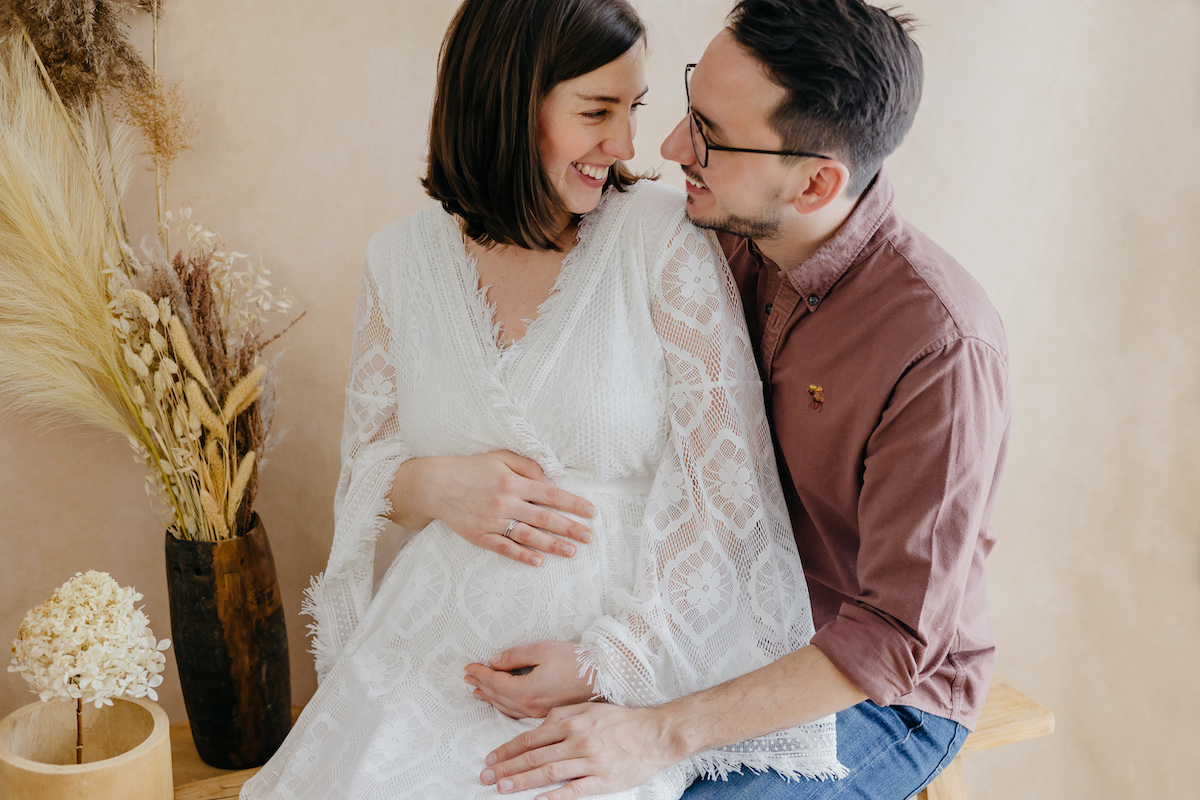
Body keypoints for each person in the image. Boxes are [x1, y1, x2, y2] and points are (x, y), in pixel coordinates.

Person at [241, 0, 846, 798]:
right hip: (433, 651)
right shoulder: (399, 261)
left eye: (631, 109)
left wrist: (610, 660)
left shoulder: (660, 237)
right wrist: (429, 483)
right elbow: (366, 470)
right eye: (596, 111)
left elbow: (725, 493)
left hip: (620, 661)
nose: (627, 145)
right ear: (504, 101)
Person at [464, 1, 1012, 798]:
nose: (671, 148)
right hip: (714, 628)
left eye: (711, 137)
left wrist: (654, 729)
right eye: (690, 108)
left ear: (817, 180)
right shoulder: (699, 239)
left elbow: (894, 639)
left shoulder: (942, 348)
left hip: (881, 693)